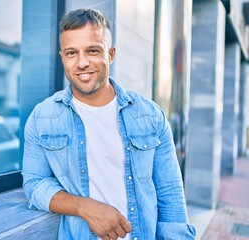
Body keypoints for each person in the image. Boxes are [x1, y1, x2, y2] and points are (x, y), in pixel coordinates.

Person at [22, 8, 196, 240]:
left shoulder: (150, 116)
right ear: (62, 56)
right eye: (72, 53)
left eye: (92, 51)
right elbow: (35, 184)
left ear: (111, 54)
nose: (82, 62)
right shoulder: (42, 117)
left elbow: (170, 194)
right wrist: (84, 207)